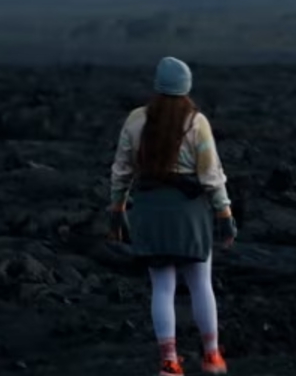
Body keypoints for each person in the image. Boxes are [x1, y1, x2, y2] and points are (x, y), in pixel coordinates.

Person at [107, 56, 238, 376]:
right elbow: (211, 175)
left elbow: (121, 171)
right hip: (189, 213)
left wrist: (117, 209)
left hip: (150, 211)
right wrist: (224, 213)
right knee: (200, 284)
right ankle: (211, 356)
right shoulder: (197, 122)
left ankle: (169, 362)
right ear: (187, 87)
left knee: (162, 288)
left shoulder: (136, 120)